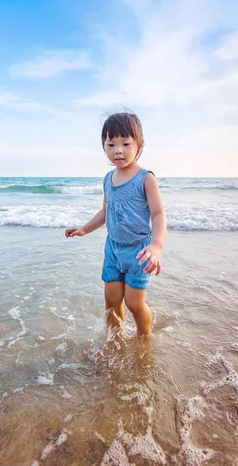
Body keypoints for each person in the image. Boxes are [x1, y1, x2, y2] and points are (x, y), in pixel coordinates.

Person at [65, 112, 167, 336]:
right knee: (111, 303)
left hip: (139, 251)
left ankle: (144, 336)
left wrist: (156, 246)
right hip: (113, 249)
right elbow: (105, 211)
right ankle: (116, 339)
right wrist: (85, 229)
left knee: (133, 303)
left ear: (139, 145)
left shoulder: (145, 178)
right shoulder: (107, 179)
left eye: (125, 143)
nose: (117, 150)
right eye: (111, 144)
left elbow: (158, 214)